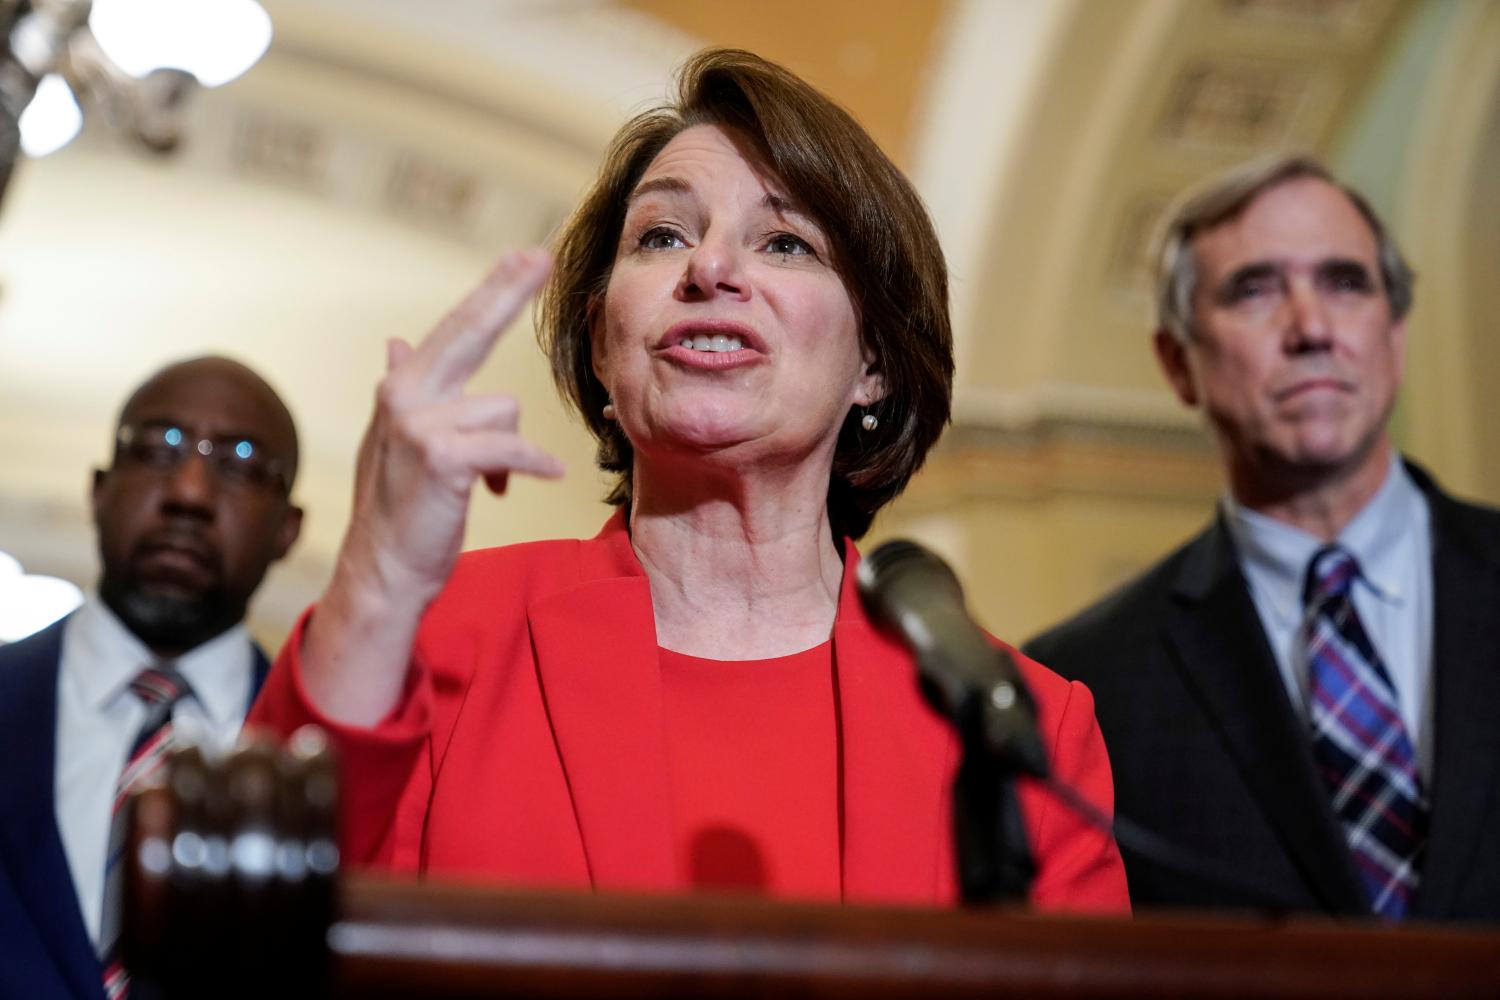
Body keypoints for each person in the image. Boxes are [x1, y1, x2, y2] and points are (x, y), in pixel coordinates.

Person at [248, 50, 1127, 911]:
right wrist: (380, 583)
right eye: (663, 236)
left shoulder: (1017, 727)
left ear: (876, 362)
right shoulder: (438, 642)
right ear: (600, 342)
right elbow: (245, 932)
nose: (709, 270)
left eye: (786, 243)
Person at [1025, 155, 1500, 923]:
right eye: (1255, 290)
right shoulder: (1079, 688)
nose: (1311, 328)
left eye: (1346, 284)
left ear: (1396, 335)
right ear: (1179, 365)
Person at [0, 356, 304, 998]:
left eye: (241, 462)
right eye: (158, 449)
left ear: (288, 530)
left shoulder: (315, 757)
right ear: (98, 488)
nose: (189, 493)